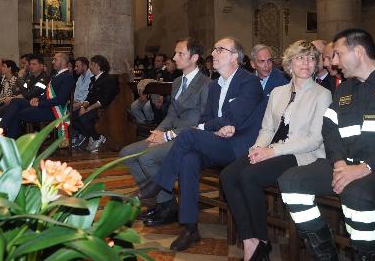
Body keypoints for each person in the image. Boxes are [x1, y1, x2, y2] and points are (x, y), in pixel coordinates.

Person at [136, 37, 265, 251]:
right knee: (188, 159)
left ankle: (158, 183)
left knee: (187, 135)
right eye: (213, 49)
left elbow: (235, 118)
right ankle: (190, 229)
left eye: (220, 49)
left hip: (239, 147)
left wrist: (210, 127)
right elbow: (206, 119)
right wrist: (213, 127)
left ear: (235, 56)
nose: (213, 53)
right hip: (217, 142)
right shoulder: (215, 86)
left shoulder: (248, 81)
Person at [220, 40, 332, 261]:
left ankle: (261, 240)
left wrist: (272, 151)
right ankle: (249, 238)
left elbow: (314, 139)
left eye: (311, 58)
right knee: (229, 175)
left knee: (249, 176)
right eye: (300, 58)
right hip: (271, 149)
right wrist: (257, 148)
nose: (306, 63)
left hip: (300, 155)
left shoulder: (322, 94)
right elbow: (267, 128)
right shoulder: (278, 92)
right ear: (290, 63)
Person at [279, 29, 375, 261]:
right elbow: (330, 128)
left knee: (357, 194)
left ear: (358, 52)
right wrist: (338, 163)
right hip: (344, 164)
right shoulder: (345, 89)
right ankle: (325, 255)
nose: (333, 62)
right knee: (290, 180)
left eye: (337, 54)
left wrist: (365, 168)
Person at [120, 38, 211, 227]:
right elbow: (171, 114)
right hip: (169, 133)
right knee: (127, 153)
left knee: (147, 158)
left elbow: (202, 121)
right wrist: (158, 131)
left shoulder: (206, 84)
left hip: (189, 138)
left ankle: (167, 206)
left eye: (180, 54)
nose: (175, 57)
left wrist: (167, 136)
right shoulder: (177, 81)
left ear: (194, 57)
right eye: (175, 53)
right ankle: (160, 202)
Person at [1, 53, 74, 138]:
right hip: (45, 105)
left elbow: (60, 100)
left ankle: (4, 136)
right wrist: (37, 99)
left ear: (63, 61)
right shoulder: (56, 75)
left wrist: (39, 104)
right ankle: (2, 132)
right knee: (15, 101)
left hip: (54, 110)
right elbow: (47, 94)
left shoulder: (67, 77)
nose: (53, 62)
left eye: (55, 59)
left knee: (17, 113)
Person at [72, 55, 118, 153]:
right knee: (72, 117)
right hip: (92, 107)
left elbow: (105, 100)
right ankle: (92, 137)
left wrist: (88, 109)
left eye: (92, 64)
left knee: (83, 117)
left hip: (103, 109)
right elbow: (89, 96)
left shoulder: (107, 79)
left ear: (98, 65)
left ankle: (96, 138)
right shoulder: (94, 79)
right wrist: (83, 106)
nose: (90, 67)